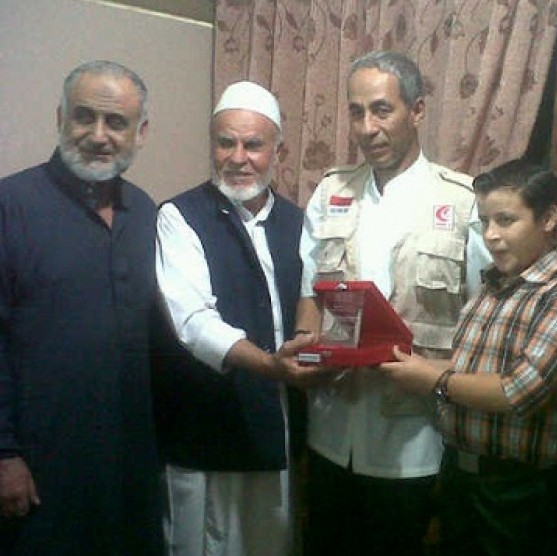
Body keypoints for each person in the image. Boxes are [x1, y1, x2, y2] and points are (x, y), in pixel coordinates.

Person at [295, 50, 491, 556]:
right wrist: (303, 342)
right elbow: (309, 287)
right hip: (333, 428)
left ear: (417, 111)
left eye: (382, 110)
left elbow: (481, 318)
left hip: (415, 437)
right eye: (357, 111)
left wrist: (444, 376)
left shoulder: (463, 201)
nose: (367, 127)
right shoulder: (332, 192)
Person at [379, 159, 557, 555]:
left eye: (506, 220)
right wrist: (413, 364)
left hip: (521, 492)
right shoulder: (492, 288)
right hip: (461, 481)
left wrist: (432, 380)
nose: (492, 236)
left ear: (548, 217)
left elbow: (519, 391)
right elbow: (471, 371)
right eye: (485, 222)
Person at [0, 60, 162, 555]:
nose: (98, 135)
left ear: (140, 132)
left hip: (128, 464)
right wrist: (3, 453)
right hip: (40, 464)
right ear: (59, 117)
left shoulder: (147, 212)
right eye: (83, 117)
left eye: (115, 122)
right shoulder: (11, 204)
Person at [154, 81, 318, 556]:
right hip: (206, 423)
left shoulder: (300, 222)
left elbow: (313, 301)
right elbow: (194, 322)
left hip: (277, 424)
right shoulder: (179, 217)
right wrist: (272, 367)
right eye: (226, 142)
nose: (238, 157)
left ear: (278, 151)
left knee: (272, 543)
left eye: (253, 144)